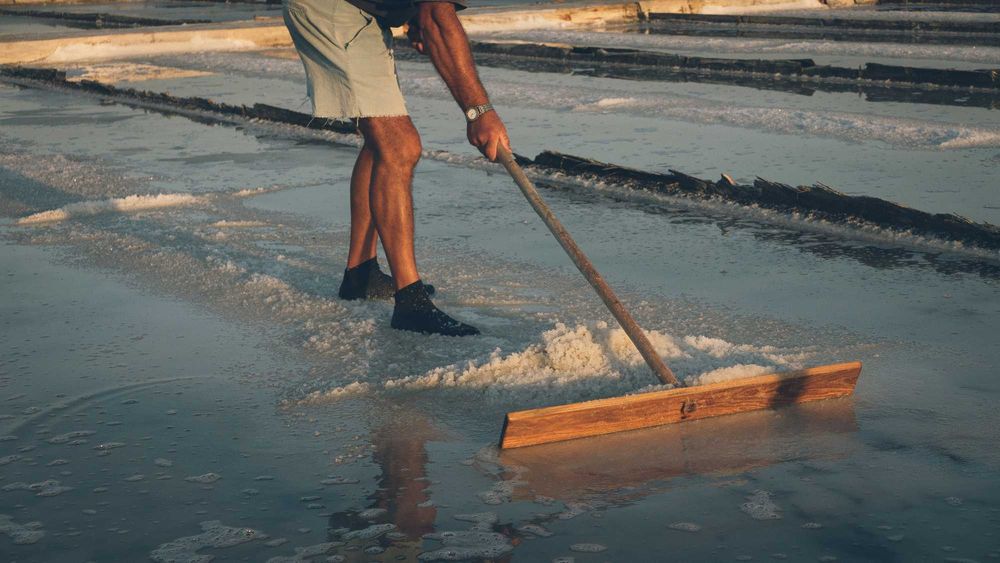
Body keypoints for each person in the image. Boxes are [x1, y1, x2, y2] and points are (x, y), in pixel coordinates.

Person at [283, 0, 510, 336]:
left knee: (383, 140)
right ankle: (410, 303)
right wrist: (479, 112)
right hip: (332, 7)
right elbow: (437, 14)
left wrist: (415, 14)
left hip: (362, 12)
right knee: (400, 145)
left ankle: (361, 273)